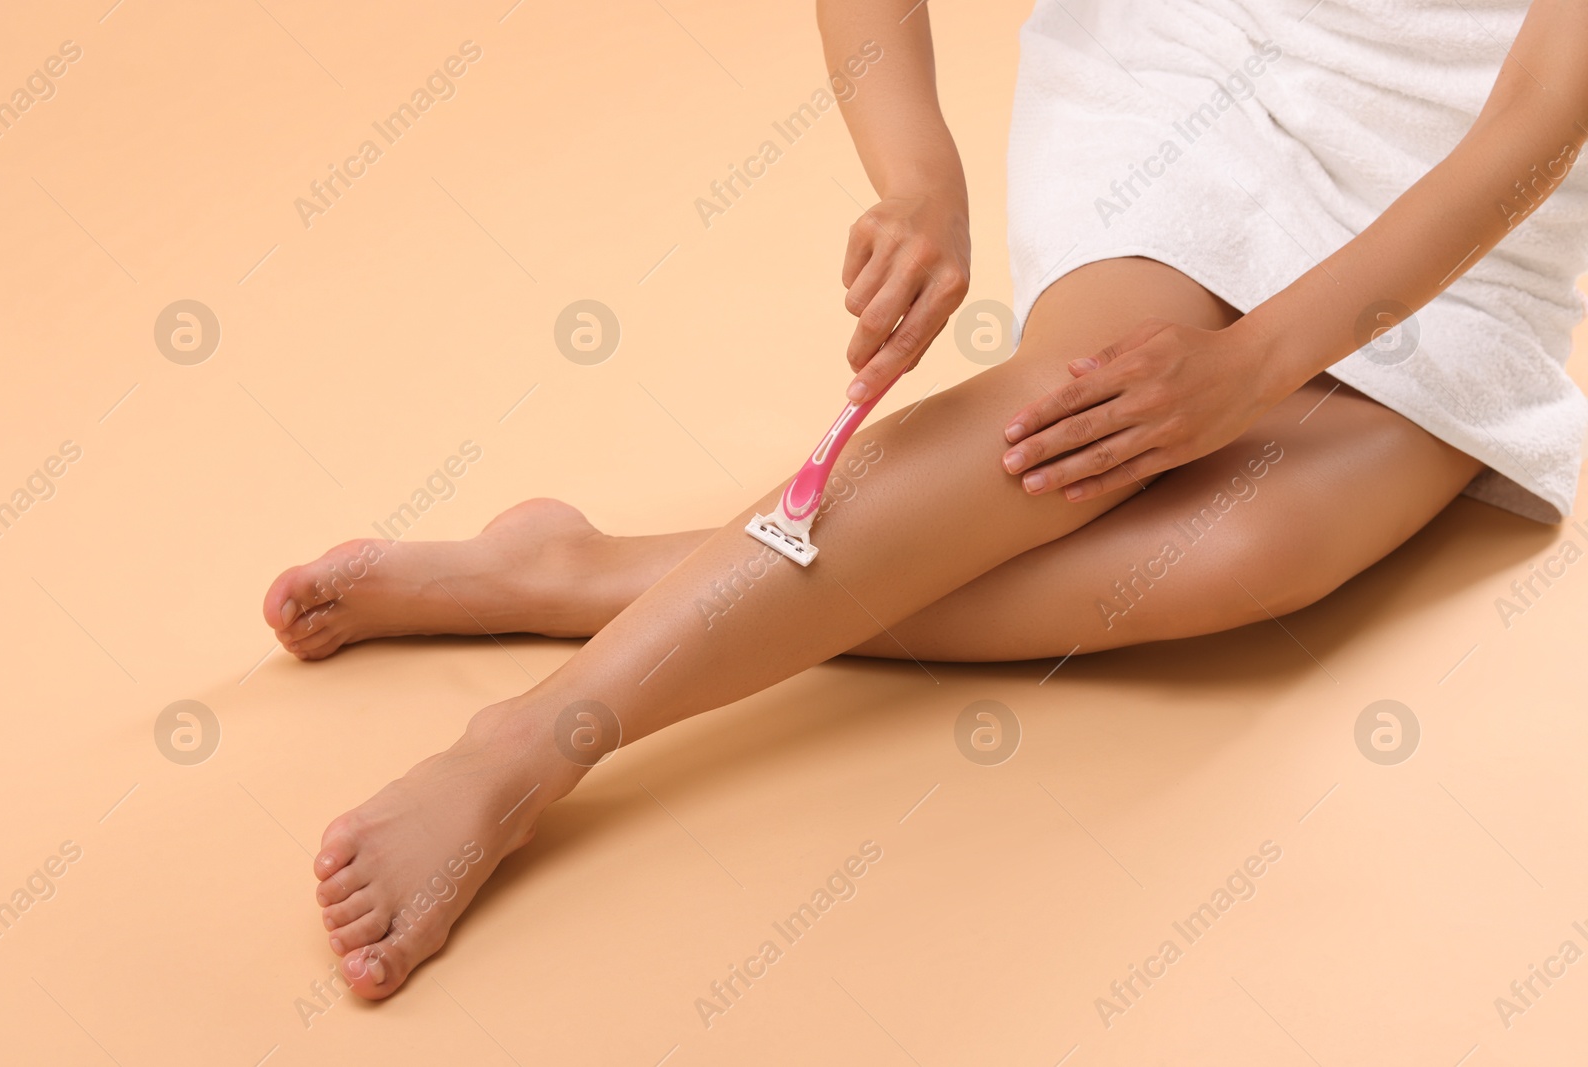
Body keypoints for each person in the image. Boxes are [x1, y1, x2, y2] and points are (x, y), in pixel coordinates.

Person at [261, 0, 1588, 998]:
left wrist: (1248, 372)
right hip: (1202, 68)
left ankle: (580, 575)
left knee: (1250, 549)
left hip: (1478, 194)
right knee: (1069, 416)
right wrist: (917, 177)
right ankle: (532, 741)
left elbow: (1540, 107)